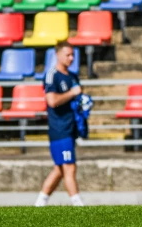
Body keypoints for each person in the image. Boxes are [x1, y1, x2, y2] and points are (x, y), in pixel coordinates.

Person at [35, 42, 84, 207]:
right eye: (67, 55)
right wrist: (72, 93)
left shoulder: (72, 76)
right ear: (57, 54)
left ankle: (41, 201)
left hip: (70, 129)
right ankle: (78, 204)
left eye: (73, 55)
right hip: (59, 130)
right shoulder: (51, 75)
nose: (71, 58)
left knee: (59, 169)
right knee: (69, 167)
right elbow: (52, 101)